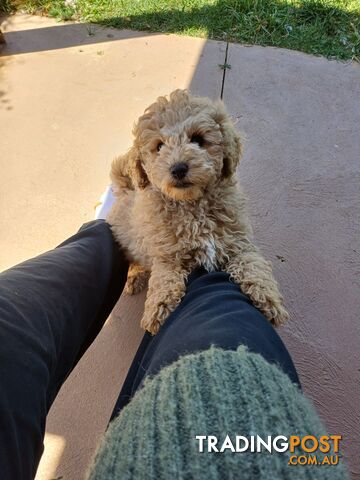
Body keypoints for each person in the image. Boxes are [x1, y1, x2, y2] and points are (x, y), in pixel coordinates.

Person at [0, 189, 348, 480]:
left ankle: (104, 233)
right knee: (215, 293)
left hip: (139, 446)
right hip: (270, 431)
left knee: (23, 307)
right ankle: (189, 265)